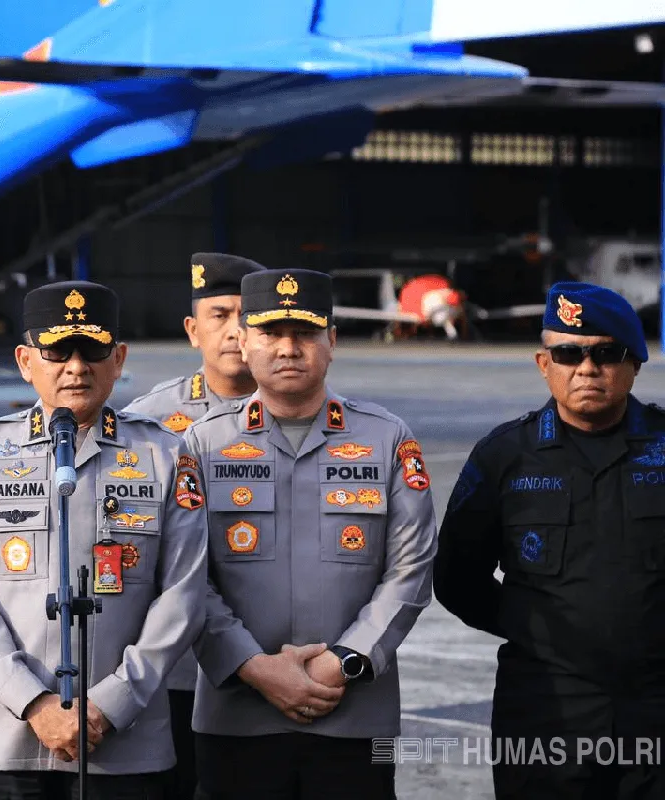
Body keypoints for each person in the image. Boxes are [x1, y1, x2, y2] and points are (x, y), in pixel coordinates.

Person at [0, 280, 209, 800]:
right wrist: (35, 704)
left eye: (93, 350)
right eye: (58, 351)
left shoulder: (166, 456)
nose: (76, 367)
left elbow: (183, 595)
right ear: (25, 361)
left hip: (125, 745)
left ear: (118, 359)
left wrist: (112, 703)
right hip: (6, 742)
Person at [185, 268, 437, 800]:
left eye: (304, 333)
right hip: (236, 717)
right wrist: (254, 667)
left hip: (358, 716)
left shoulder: (387, 438)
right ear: (244, 342)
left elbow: (412, 569)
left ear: (332, 341)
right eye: (271, 333)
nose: (288, 348)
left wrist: (345, 661)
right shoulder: (202, 445)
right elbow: (186, 576)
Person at [436, 282, 665, 799]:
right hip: (546, 707)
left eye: (606, 354)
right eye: (568, 354)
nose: (587, 369)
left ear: (635, 364)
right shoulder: (503, 456)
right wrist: (538, 633)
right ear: (544, 364)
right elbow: (457, 578)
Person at [122, 252, 263, 800]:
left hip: (276, 656)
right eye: (219, 315)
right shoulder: (148, 422)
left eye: (247, 317)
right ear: (192, 329)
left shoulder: (298, 411)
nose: (234, 331)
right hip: (178, 668)